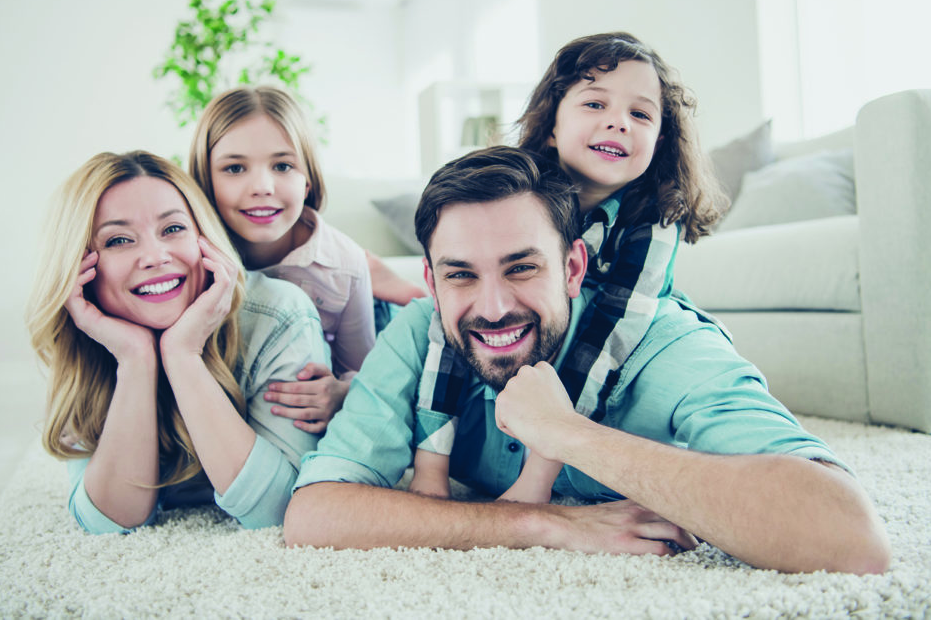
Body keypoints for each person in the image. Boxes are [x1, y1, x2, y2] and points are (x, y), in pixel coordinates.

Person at [282, 147, 890, 574]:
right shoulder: (422, 331)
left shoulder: (666, 345)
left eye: (522, 267)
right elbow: (315, 514)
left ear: (573, 266)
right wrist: (543, 525)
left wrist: (567, 433)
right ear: (433, 282)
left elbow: (850, 537)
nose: (492, 308)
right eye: (461, 275)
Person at [408, 32, 728, 501]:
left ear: (659, 142)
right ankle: (430, 463)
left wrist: (538, 475)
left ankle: (537, 478)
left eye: (639, 114)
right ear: (553, 125)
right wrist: (430, 470)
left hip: (610, 331)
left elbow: (605, 341)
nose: (618, 123)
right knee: (454, 317)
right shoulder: (518, 195)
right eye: (595, 104)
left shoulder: (654, 222)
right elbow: (450, 328)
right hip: (534, 321)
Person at [27, 151, 330, 534]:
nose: (155, 256)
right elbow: (107, 521)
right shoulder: (85, 330)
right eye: (119, 240)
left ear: (204, 237)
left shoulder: (277, 313)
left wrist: (183, 355)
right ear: (79, 267)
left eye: (173, 229)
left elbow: (282, 509)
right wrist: (135, 359)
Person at [189, 86, 419, 435]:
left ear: (308, 179)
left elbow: (362, 372)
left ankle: (394, 290)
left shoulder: (344, 266)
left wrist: (342, 393)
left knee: (413, 341)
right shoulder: (188, 255)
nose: (262, 186)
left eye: (283, 166)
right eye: (235, 168)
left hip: (359, 311)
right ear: (205, 180)